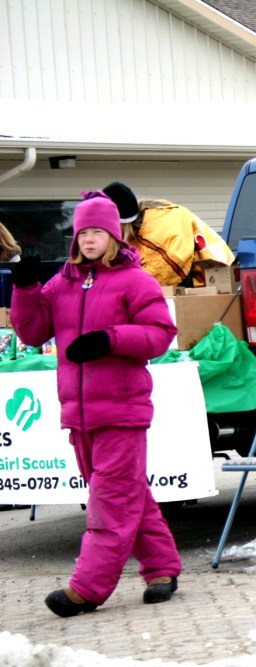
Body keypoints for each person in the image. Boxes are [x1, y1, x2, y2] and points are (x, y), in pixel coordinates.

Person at [10, 190, 181, 617]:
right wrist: (26, 288)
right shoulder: (62, 282)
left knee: (110, 502)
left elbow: (160, 335)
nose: (88, 239)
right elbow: (32, 332)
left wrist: (111, 339)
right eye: (82, 232)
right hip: (79, 414)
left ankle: (87, 588)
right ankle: (162, 567)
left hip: (122, 411)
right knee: (127, 495)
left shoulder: (136, 281)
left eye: (96, 232)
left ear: (113, 235)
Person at [101, 181, 234, 287]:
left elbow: (165, 269)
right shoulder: (139, 229)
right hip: (205, 280)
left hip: (216, 281)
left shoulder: (158, 225)